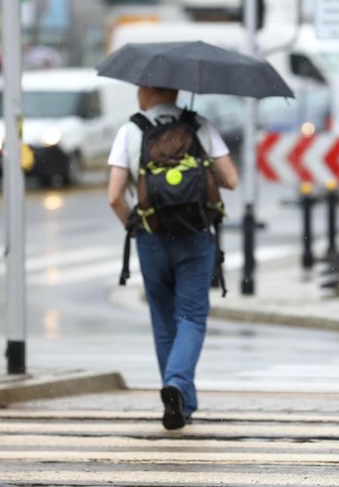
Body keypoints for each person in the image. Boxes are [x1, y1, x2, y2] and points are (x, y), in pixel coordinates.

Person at [107, 86, 238, 429]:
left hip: (152, 237)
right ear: (176, 91)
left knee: (163, 320)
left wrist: (136, 228)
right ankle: (178, 387)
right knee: (191, 317)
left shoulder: (131, 130)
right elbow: (232, 180)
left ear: (147, 93)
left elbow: (114, 196)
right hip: (195, 236)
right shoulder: (199, 126)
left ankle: (179, 397)